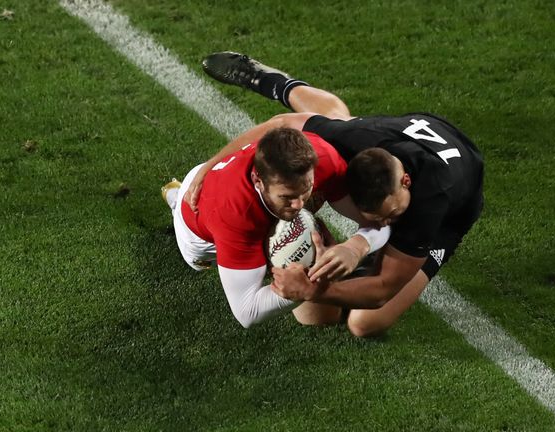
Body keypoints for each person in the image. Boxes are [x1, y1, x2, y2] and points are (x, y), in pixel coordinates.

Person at [191, 52, 484, 337]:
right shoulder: (359, 141)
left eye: (391, 215)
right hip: (405, 131)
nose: (386, 223)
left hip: (455, 198)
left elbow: (382, 290)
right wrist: (211, 165)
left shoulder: (431, 202)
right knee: (336, 124)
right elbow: (281, 125)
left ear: (406, 182)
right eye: (375, 218)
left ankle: (374, 261)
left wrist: (320, 285)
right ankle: (273, 82)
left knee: (364, 322)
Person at [162, 126, 390, 328]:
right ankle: (175, 198)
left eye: (307, 189)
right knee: (315, 303)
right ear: (258, 180)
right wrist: (308, 285)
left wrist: (357, 247)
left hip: (224, 183)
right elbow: (246, 312)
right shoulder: (234, 214)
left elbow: (379, 221)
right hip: (197, 230)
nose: (300, 204)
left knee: (324, 318)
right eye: (288, 197)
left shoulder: (322, 158)